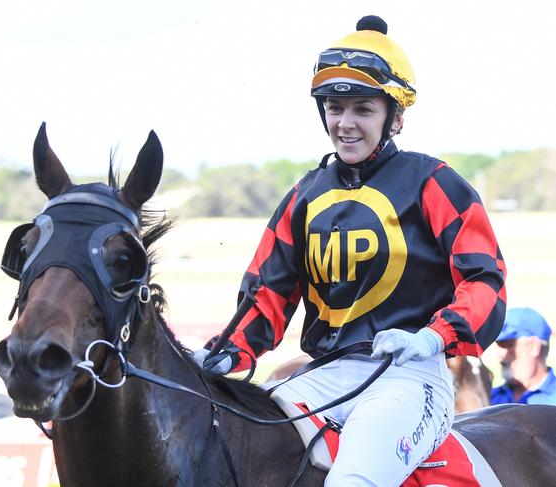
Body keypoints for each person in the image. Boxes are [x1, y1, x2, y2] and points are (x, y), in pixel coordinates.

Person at [192, 15, 506, 486]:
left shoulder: (435, 182)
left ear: (395, 116)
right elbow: (267, 295)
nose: (346, 123)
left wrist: (433, 337)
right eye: (335, 108)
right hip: (324, 376)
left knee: (351, 481)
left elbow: (484, 280)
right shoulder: (303, 195)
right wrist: (225, 352)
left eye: (363, 108)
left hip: (412, 376)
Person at [490, 307, 556, 405]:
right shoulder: (487, 398)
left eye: (509, 345)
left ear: (534, 346)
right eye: (499, 345)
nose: (499, 355)